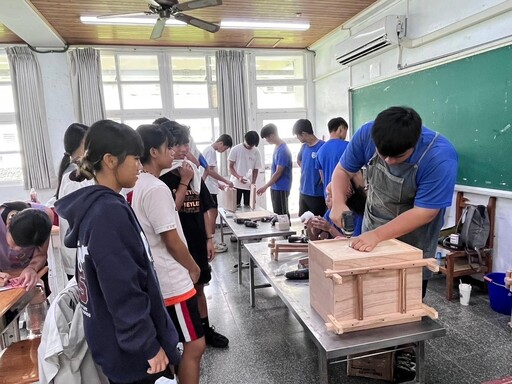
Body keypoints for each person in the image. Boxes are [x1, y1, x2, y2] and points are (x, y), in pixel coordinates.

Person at [54, 120, 180, 384]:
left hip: (115, 344)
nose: (139, 165)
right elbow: (122, 288)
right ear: (111, 160)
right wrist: (147, 344)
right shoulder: (107, 213)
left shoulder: (99, 207)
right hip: (132, 352)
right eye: (134, 158)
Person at [330, 106, 458, 298]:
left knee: (405, 304)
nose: (389, 161)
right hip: (372, 228)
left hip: (412, 241)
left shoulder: (439, 157)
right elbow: (342, 170)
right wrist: (338, 203)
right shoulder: (367, 133)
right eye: (383, 154)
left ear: (415, 143)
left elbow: (425, 212)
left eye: (398, 156)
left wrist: (378, 235)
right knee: (365, 297)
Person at [132, 124, 205, 384]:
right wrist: (193, 267)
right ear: (153, 151)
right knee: (193, 345)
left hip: (162, 277)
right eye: (168, 147)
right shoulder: (155, 188)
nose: (173, 152)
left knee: (179, 344)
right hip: (173, 281)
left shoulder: (142, 182)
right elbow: (171, 240)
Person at [159, 121, 229, 349]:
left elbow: (206, 207)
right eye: (177, 144)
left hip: (197, 240)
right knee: (178, 293)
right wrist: (183, 181)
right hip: (175, 244)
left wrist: (210, 239)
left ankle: (205, 330)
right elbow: (170, 212)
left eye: (185, 144)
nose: (183, 149)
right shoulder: (162, 177)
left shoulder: (192, 171)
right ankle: (181, 336)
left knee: (200, 289)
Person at [55, 123, 94, 278]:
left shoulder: (78, 171)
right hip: (79, 254)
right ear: (83, 143)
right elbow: (81, 218)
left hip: (81, 253)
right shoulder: (74, 177)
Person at [0, 202, 53, 290]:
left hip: (32, 272)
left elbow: (41, 254)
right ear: (8, 226)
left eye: (26, 246)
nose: (18, 250)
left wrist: (32, 268)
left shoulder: (45, 217)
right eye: (15, 243)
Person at [202, 134, 233, 253]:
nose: (223, 151)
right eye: (224, 148)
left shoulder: (209, 150)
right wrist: (225, 180)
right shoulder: (211, 151)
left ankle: (212, 241)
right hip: (208, 188)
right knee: (213, 214)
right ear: (220, 143)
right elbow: (209, 171)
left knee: (213, 214)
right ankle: (211, 242)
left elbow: (210, 172)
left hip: (210, 187)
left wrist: (219, 185)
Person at [257, 123, 292, 218]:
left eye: (267, 138)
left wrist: (265, 186)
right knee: (277, 213)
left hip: (281, 187)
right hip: (275, 187)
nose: (267, 141)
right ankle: (281, 232)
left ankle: (286, 233)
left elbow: (278, 173)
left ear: (272, 135)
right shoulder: (277, 148)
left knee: (282, 215)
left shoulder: (283, 150)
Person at [293, 119, 326, 216]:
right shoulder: (304, 147)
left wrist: (321, 178)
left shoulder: (323, 146)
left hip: (316, 193)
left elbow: (327, 167)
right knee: (306, 221)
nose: (297, 138)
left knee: (316, 223)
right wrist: (306, 171)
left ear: (303, 134)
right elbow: (299, 160)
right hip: (303, 191)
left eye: (297, 135)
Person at [315, 117, 349, 196]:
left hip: (329, 196)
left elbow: (323, 178)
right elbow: (355, 173)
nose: (345, 135)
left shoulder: (320, 151)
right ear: (340, 129)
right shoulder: (348, 147)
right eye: (345, 131)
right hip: (345, 194)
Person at [228, 131, 263, 207]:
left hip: (249, 185)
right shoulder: (235, 149)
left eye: (252, 145)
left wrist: (253, 183)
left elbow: (256, 169)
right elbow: (230, 167)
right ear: (244, 139)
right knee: (234, 207)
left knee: (249, 207)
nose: (250, 147)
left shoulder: (256, 152)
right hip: (236, 184)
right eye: (249, 144)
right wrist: (238, 177)